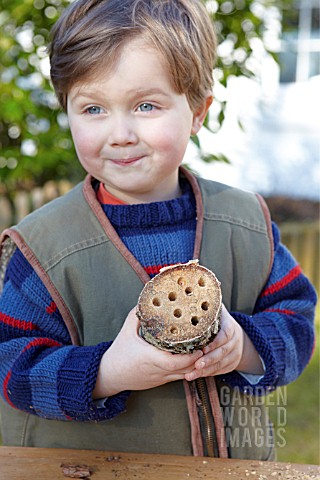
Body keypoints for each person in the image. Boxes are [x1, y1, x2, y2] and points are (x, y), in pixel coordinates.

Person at [0, 0, 316, 460]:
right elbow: (11, 366)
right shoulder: (43, 249)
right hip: (92, 471)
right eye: (93, 109)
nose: (120, 132)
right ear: (65, 109)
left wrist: (242, 347)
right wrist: (109, 370)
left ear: (198, 111)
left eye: (146, 105)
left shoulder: (247, 226)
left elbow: (297, 326)